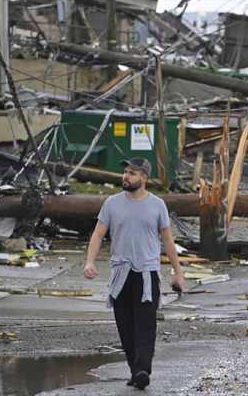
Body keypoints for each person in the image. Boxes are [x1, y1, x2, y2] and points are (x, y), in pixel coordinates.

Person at [83, 157, 185, 391]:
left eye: (132, 173)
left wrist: (178, 273)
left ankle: (142, 370)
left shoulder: (157, 204)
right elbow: (98, 235)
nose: (126, 176)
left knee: (145, 325)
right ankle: (134, 369)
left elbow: (168, 240)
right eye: (126, 172)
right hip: (121, 273)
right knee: (125, 326)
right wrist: (89, 261)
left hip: (147, 274)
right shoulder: (111, 203)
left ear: (144, 178)